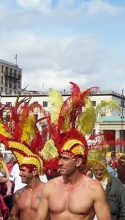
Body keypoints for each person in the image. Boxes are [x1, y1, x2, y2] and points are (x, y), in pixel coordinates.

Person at [35, 83, 112, 220]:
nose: (60, 163)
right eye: (60, 158)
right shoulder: (50, 187)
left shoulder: (93, 189)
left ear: (77, 162)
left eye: (65, 159)